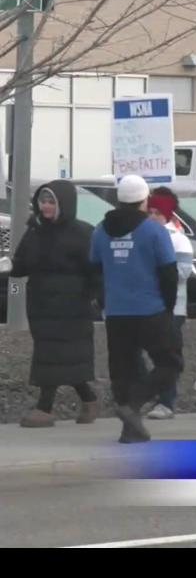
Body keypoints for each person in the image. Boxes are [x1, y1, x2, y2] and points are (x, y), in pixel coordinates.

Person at [89, 174, 180, 444]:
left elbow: (94, 270)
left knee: (124, 370)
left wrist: (104, 300)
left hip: (117, 312)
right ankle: (133, 405)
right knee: (170, 363)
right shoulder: (154, 230)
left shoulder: (100, 230)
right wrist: (168, 307)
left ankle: (130, 429)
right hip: (151, 309)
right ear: (144, 199)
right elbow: (169, 273)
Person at [11, 180, 101, 427]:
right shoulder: (35, 230)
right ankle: (89, 399)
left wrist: (95, 299)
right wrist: (9, 267)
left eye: (51, 201)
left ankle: (45, 408)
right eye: (43, 201)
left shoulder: (82, 233)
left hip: (72, 306)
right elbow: (21, 264)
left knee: (54, 355)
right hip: (41, 305)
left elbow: (96, 270)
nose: (46, 206)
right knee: (59, 357)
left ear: (65, 204)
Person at [137, 187, 196, 419]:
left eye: (158, 213)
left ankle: (166, 402)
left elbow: (183, 272)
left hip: (172, 308)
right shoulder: (142, 236)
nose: (152, 217)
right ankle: (148, 394)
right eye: (150, 212)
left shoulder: (178, 240)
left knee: (168, 355)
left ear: (168, 215)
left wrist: (153, 273)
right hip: (146, 306)